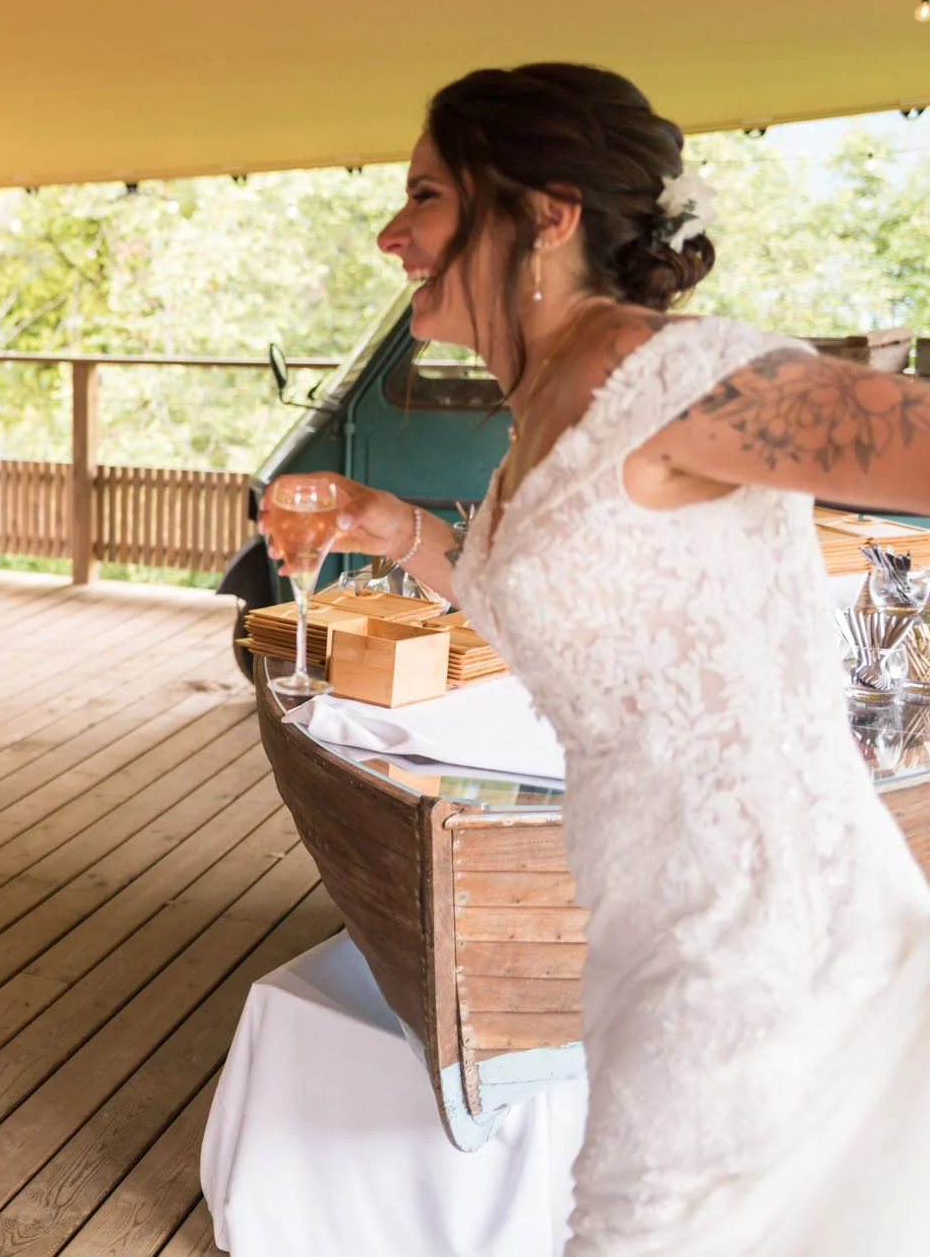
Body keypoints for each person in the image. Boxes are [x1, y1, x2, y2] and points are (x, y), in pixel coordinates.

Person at [262, 63, 930, 1254]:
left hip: (766, 944)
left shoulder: (678, 378)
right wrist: (386, 521)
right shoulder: (536, 419)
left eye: (424, 192)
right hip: (643, 928)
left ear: (546, 213)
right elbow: (549, 622)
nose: (389, 231)